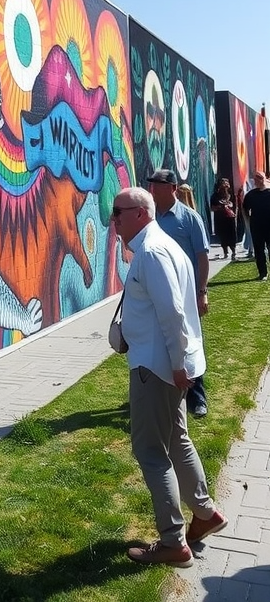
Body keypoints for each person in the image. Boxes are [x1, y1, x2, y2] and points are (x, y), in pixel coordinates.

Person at [112, 187, 227, 568]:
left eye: (118, 212)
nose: (113, 220)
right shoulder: (157, 246)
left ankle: (173, 542)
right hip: (164, 365)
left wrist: (177, 365)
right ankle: (205, 514)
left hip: (156, 367)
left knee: (150, 451)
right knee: (177, 438)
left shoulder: (152, 251)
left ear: (140, 214)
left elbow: (173, 314)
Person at [147, 169, 211, 418]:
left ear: (172, 187)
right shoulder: (150, 219)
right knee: (160, 342)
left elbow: (202, 257)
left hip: (185, 294)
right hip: (157, 293)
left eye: (158, 184)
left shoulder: (190, 218)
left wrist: (201, 291)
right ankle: (163, 391)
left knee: (189, 342)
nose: (152, 188)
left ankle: (197, 398)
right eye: (151, 184)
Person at [242, 171, 270, 281]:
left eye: (259, 178)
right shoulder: (251, 195)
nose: (257, 181)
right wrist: (247, 222)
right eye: (256, 178)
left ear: (263, 179)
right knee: (259, 251)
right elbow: (244, 209)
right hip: (257, 227)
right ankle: (263, 273)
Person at [210, 177, 237, 261]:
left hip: (230, 219)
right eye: (223, 185)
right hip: (221, 219)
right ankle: (225, 252)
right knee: (223, 236)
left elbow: (235, 206)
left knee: (232, 236)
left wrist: (234, 213)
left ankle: (234, 252)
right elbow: (212, 208)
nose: (224, 187)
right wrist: (220, 207)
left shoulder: (231, 195)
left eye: (226, 185)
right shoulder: (215, 196)